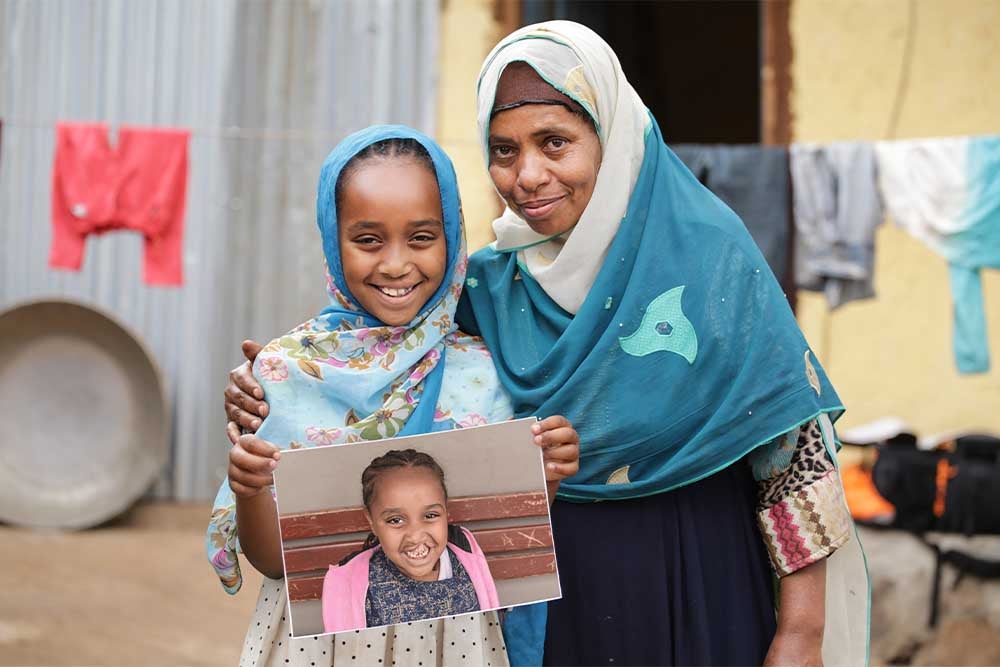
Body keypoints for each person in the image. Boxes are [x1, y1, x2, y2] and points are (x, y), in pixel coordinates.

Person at [226, 22, 870, 667]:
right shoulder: (487, 287)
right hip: (547, 606)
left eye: (555, 142)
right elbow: (397, 360)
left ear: (611, 136)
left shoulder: (711, 257)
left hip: (700, 576)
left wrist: (801, 632)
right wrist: (278, 384)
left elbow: (793, 456)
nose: (529, 175)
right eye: (503, 150)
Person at [208, 125, 579, 667]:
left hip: (450, 642)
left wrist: (542, 478)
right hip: (322, 645)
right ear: (333, 242)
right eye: (368, 239)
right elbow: (274, 561)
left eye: (422, 237)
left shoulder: (484, 372)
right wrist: (248, 489)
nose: (396, 264)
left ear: (452, 235)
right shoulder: (290, 372)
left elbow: (494, 546)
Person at [322, 449, 499, 633]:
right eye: (395, 520)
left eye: (430, 515)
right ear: (371, 521)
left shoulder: (466, 555)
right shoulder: (347, 585)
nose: (415, 536)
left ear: (446, 512)